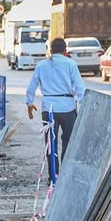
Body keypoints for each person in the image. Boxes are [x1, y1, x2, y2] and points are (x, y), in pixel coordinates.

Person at [25, 37, 86, 172]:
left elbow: (31, 87)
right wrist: (83, 105)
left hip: (48, 109)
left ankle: (53, 175)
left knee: (50, 144)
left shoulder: (41, 65)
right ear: (65, 51)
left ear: (50, 50)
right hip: (68, 108)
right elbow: (79, 87)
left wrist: (29, 103)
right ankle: (64, 172)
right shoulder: (71, 64)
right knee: (68, 141)